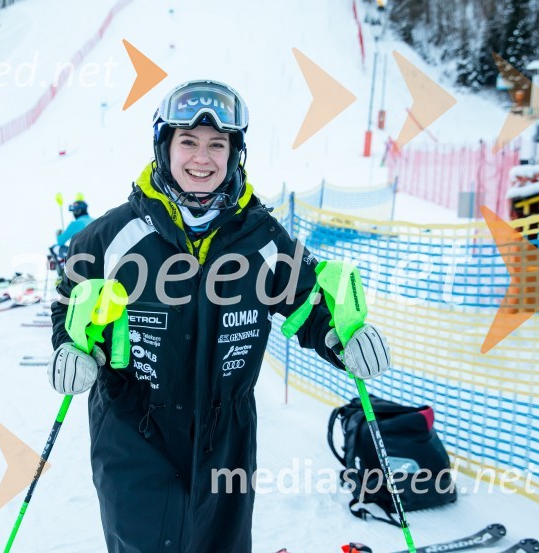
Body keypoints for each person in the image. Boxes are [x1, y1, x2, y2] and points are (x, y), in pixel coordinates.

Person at [48, 79, 392, 553]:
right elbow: (70, 298)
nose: (201, 158)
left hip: (225, 438)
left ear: (235, 153)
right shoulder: (113, 235)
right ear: (164, 147)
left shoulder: (262, 239)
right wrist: (69, 348)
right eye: (187, 142)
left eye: (217, 145)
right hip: (132, 432)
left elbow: (314, 304)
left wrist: (345, 337)